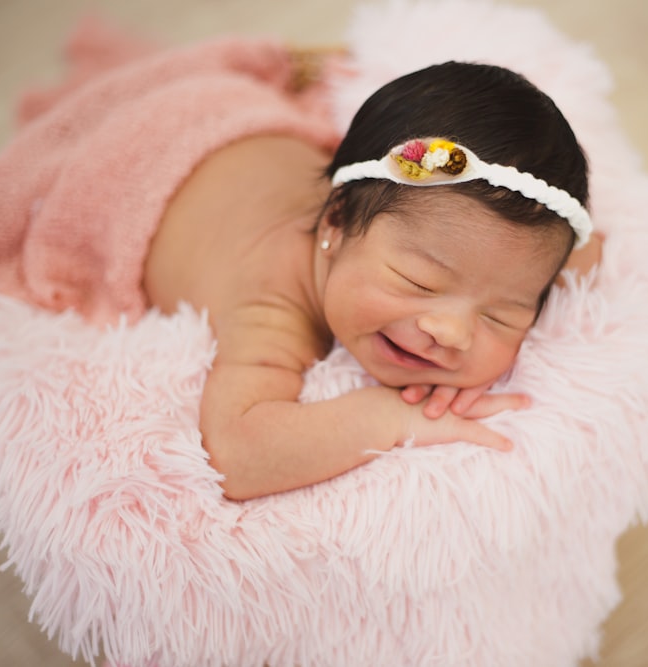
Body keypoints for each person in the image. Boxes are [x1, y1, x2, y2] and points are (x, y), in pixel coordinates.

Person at [145, 61, 601, 500]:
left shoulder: (418, 240)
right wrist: (388, 415)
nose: (453, 333)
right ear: (336, 223)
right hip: (163, 144)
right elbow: (235, 455)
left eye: (501, 314)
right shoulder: (271, 305)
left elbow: (588, 249)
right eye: (418, 282)